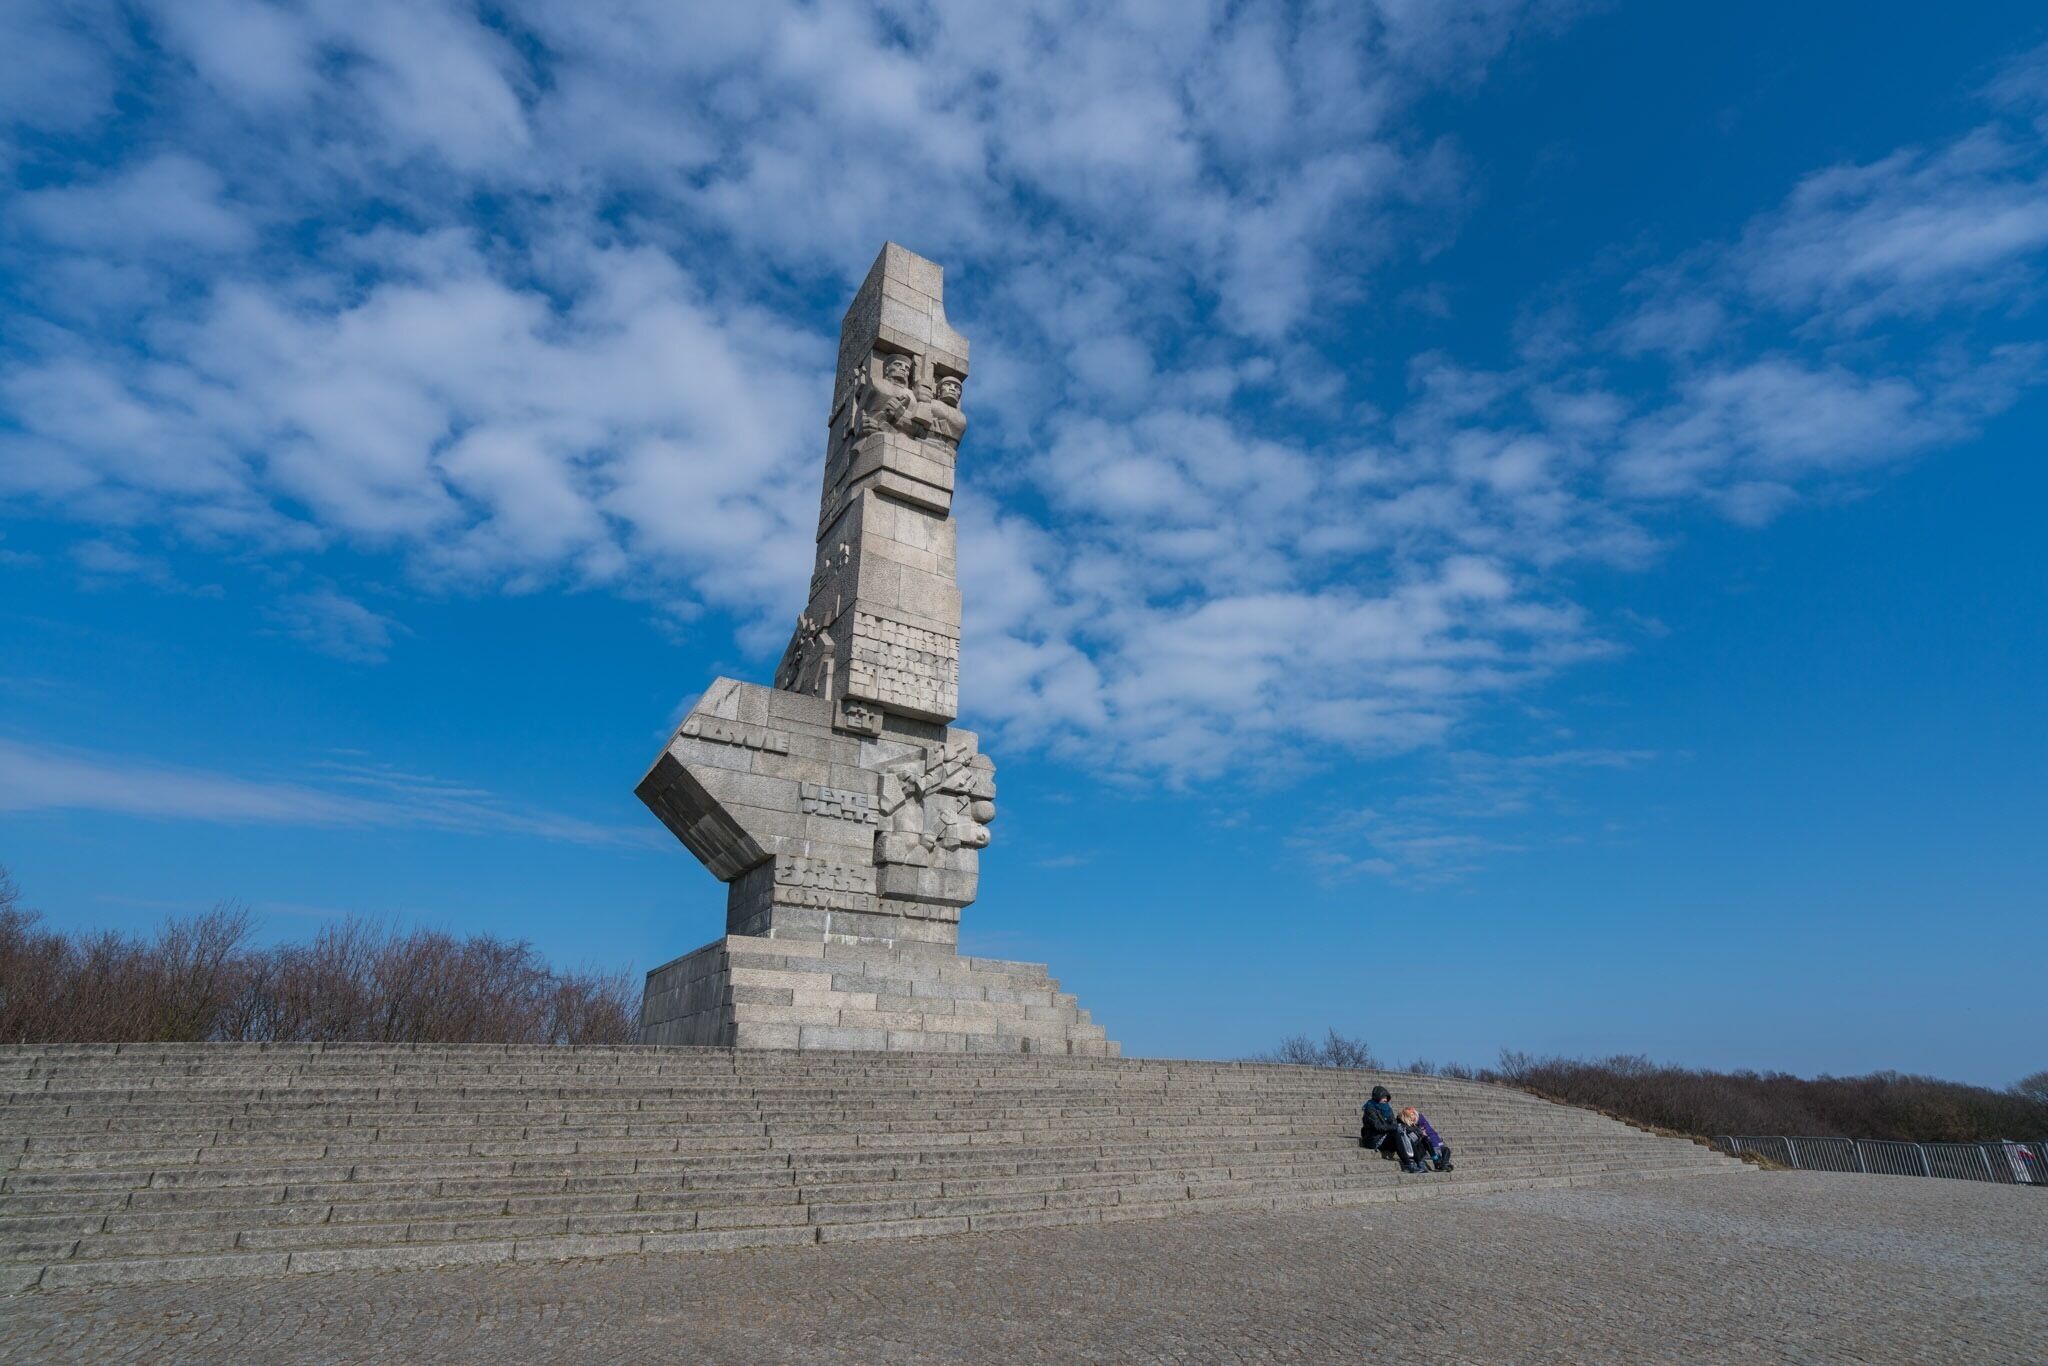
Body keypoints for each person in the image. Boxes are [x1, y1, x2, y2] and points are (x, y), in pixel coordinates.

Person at [1360, 1085, 1428, 1173]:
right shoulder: (1370, 1109)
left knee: (1402, 1133)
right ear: (1377, 1097)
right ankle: (1407, 1164)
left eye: (1386, 1097)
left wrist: (1398, 1127)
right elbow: (1379, 1127)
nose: (1385, 1099)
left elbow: (1394, 1123)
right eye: (1383, 1097)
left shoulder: (1387, 1108)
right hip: (1374, 1139)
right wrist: (1396, 1127)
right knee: (1397, 1132)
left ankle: (1418, 1162)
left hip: (1386, 1136)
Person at [1399, 1106, 1453, 1172]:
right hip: (1416, 1150)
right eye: (1412, 1117)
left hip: (1427, 1147)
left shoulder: (1416, 1125)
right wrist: (1421, 1134)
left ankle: (1442, 1163)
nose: (1414, 1119)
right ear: (1407, 1118)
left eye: (1414, 1116)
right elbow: (1411, 1139)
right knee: (1426, 1139)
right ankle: (1439, 1163)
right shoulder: (1405, 1126)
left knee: (1446, 1150)